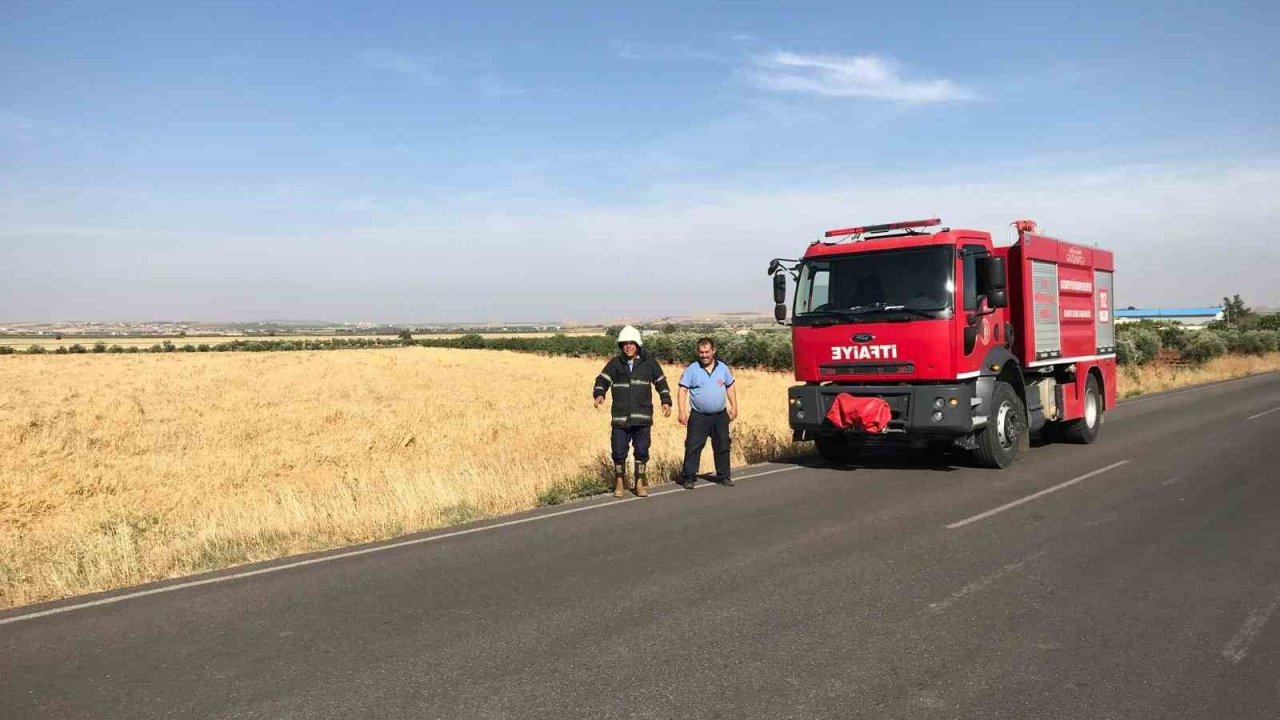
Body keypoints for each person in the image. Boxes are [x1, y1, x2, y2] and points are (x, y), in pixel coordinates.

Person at [593, 325, 672, 498]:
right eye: (624, 343)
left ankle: (639, 482)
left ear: (638, 344)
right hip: (620, 418)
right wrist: (599, 394)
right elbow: (602, 380)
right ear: (621, 346)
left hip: (642, 417)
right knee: (618, 451)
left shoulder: (649, 363)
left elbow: (661, 383)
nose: (628, 346)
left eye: (631, 343)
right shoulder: (615, 364)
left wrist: (666, 401)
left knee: (642, 451)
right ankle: (620, 481)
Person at [677, 337, 738, 489]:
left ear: (713, 351)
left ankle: (724, 476)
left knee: (723, 445)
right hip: (699, 416)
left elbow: (730, 387)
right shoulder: (692, 369)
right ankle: (689, 477)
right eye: (701, 352)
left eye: (707, 352)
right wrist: (682, 411)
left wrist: (734, 406)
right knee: (693, 446)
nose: (704, 355)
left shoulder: (723, 368)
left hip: (720, 415)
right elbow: (682, 390)